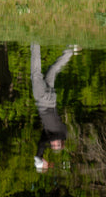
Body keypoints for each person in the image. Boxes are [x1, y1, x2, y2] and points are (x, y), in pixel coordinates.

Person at [31, 43, 77, 172]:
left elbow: (43, 143)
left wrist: (43, 163)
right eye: (55, 145)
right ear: (60, 142)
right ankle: (35, 42)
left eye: (53, 146)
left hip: (51, 99)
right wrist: (40, 160)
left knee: (53, 69)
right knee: (35, 73)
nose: (52, 144)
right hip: (42, 99)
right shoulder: (60, 134)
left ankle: (70, 51)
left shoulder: (54, 134)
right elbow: (42, 146)